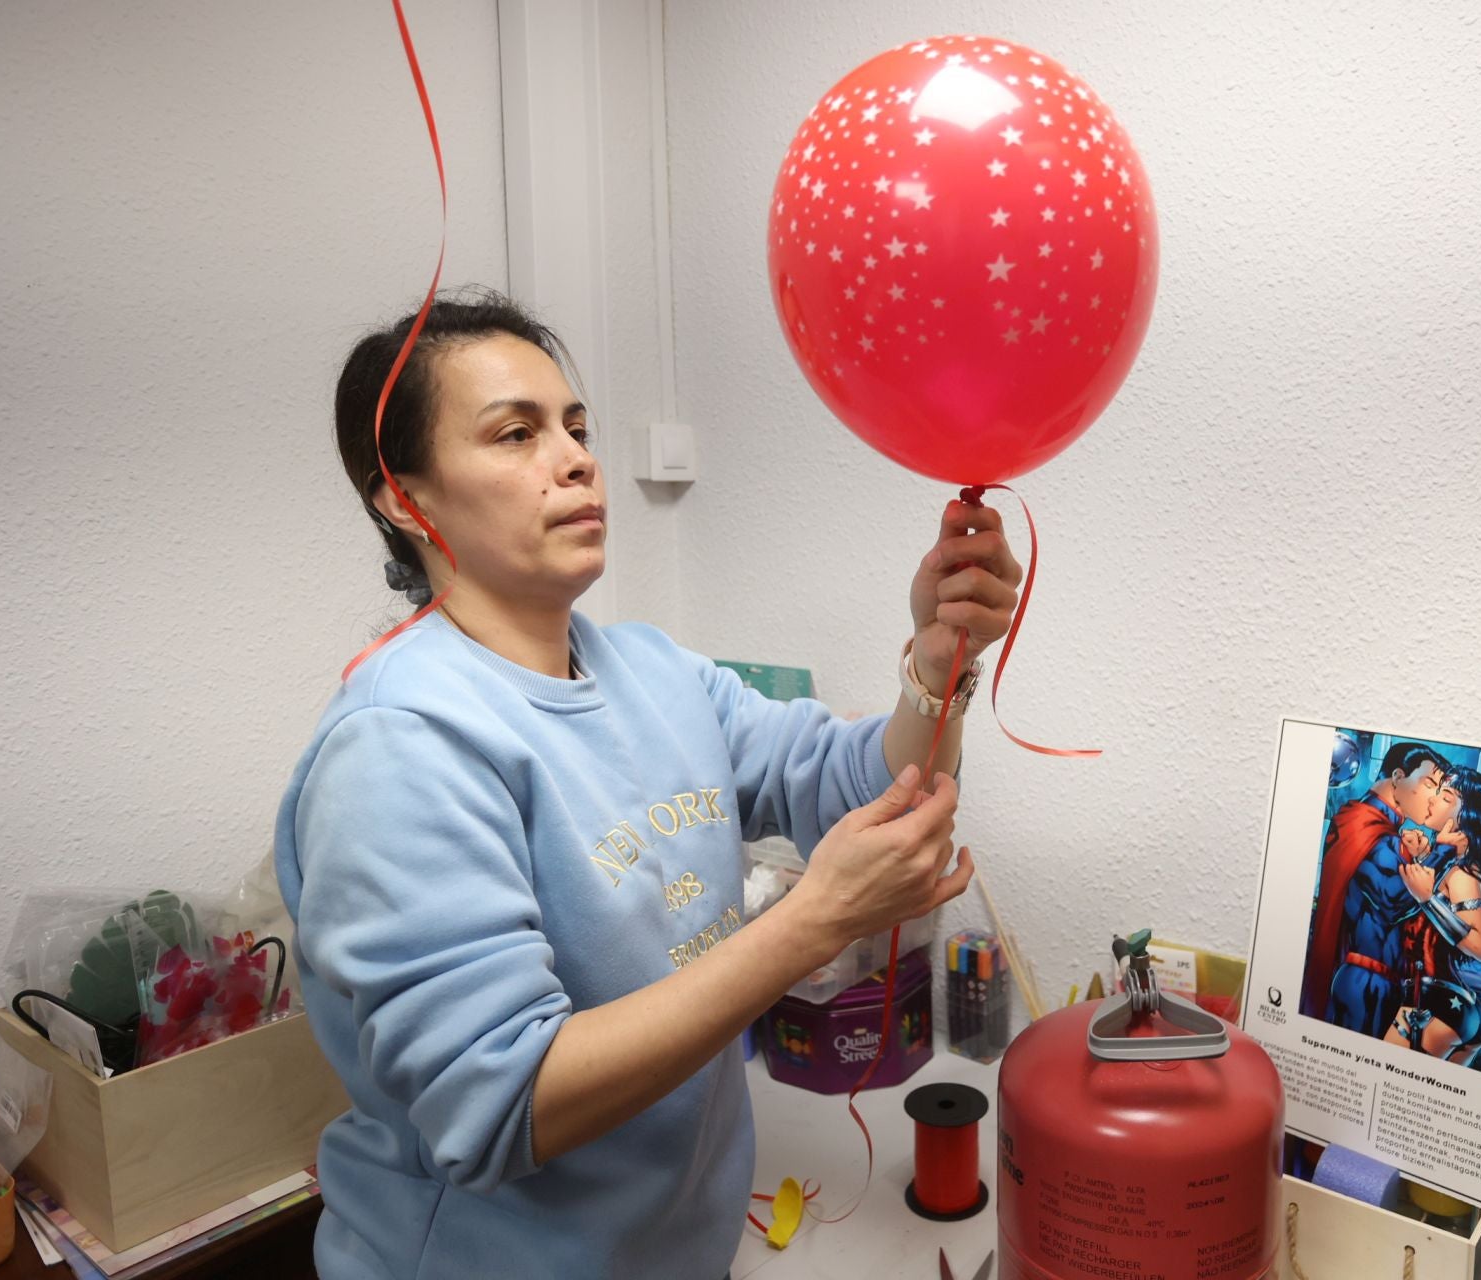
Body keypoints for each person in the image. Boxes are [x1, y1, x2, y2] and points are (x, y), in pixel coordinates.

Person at [273, 291, 1023, 1279]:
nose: (578, 458)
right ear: (401, 496)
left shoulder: (651, 670)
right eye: (515, 433)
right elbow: (502, 1105)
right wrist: (811, 922)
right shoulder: (398, 744)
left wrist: (937, 663)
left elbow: (864, 787)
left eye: (576, 427)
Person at [1300, 741, 1461, 1035]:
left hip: (1370, 976)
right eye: (1428, 784)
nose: (1432, 799)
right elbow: (1395, 899)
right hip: (1366, 978)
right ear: (1398, 777)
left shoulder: (1369, 826)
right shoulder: (1371, 830)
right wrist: (1442, 851)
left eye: (1438, 791)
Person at [1383, 766, 1481, 1069]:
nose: (1432, 800)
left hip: (1437, 1006)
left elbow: (1480, 947)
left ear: (1467, 817)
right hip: (1446, 1005)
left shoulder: (1464, 875)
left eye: (1445, 797)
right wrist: (1425, 858)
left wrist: (1428, 899)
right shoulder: (1456, 865)